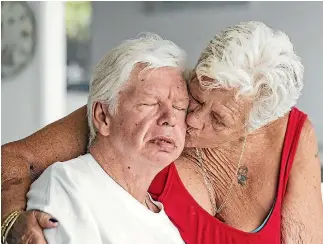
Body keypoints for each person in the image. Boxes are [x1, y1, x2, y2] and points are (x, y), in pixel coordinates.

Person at [2, 21, 323, 244]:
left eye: (219, 120)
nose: (192, 120)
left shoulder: (289, 137)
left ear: (251, 126)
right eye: (195, 97)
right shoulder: (153, 103)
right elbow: (15, 158)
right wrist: (9, 223)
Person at [2, 33, 189, 244]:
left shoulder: (167, 228)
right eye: (149, 103)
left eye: (180, 107)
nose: (170, 118)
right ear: (102, 116)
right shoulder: (69, 186)